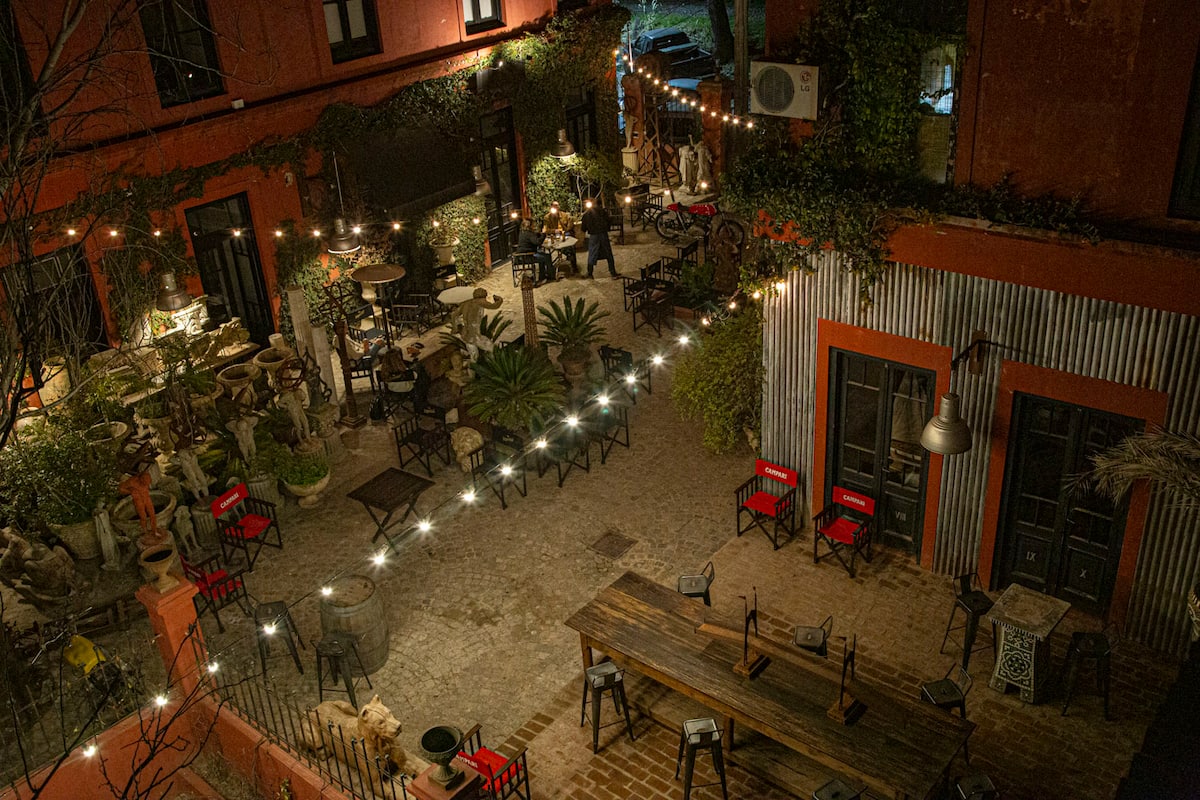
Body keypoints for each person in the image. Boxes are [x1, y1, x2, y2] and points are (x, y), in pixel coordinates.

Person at [581, 199, 618, 279]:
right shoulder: (603, 212)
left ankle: (589, 273)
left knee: (592, 254)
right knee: (608, 253)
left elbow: (583, 228)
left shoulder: (587, 214)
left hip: (594, 235)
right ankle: (613, 272)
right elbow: (609, 221)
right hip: (602, 234)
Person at [515, 216, 555, 284]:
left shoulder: (523, 232)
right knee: (547, 257)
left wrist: (539, 233)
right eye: (533, 224)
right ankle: (551, 276)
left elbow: (533, 237)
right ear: (530, 225)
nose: (534, 226)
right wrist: (543, 234)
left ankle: (542, 276)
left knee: (542, 254)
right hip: (527, 256)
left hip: (522, 255)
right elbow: (537, 242)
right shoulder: (529, 234)